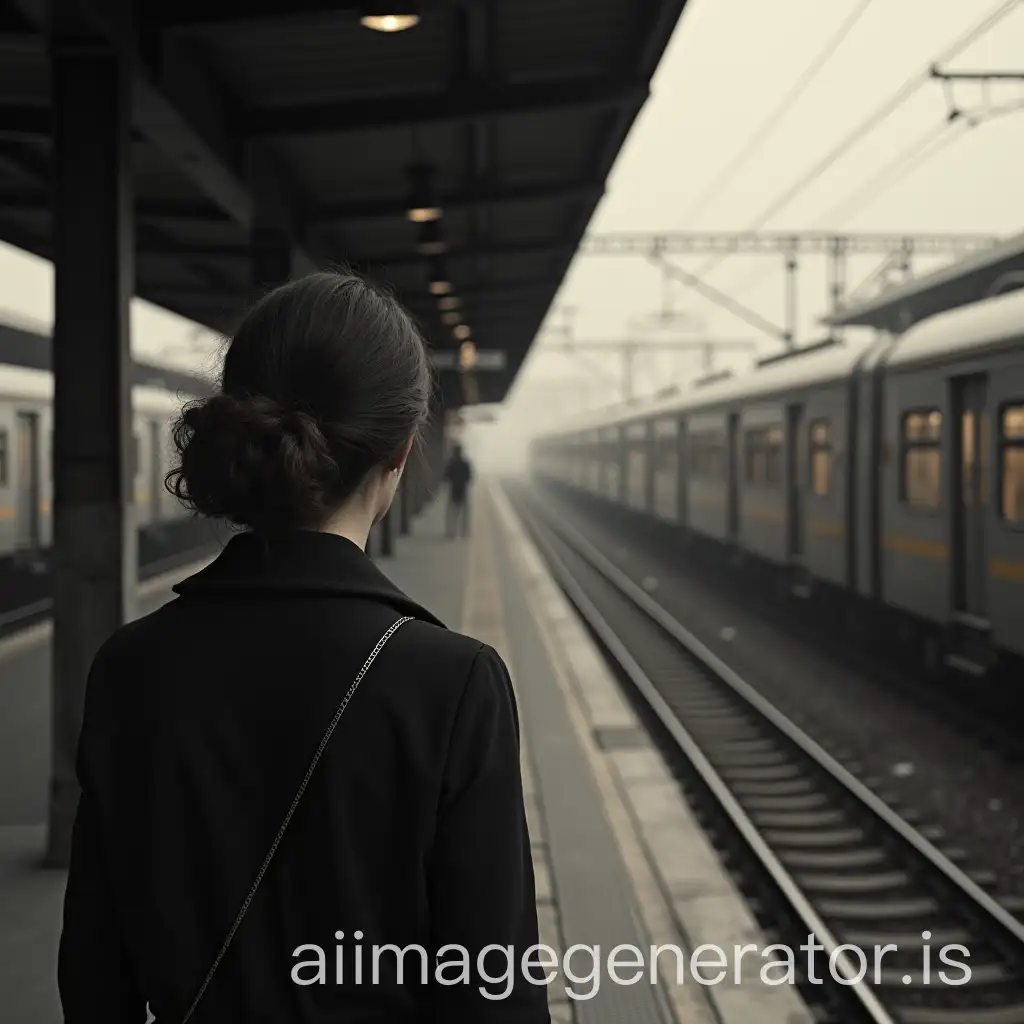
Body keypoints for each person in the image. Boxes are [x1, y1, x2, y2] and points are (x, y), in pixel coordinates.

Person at [57, 272, 549, 1024]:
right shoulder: (453, 684)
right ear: (402, 455)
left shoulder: (130, 667)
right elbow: (496, 992)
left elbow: (95, 970)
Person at [443, 443, 472, 539]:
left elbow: (446, 476)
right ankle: (463, 533)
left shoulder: (451, 463)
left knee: (452, 512)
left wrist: (453, 480)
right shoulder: (465, 463)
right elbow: (469, 477)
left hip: (454, 489)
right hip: (463, 489)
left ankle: (451, 533)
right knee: (463, 513)